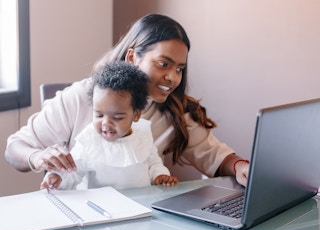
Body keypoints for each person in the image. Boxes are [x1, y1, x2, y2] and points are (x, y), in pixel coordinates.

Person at [5, 13, 249, 187]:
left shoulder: (174, 111)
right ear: (132, 57)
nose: (173, 77)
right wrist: (36, 157)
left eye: (180, 68)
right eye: (163, 64)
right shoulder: (81, 96)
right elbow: (15, 149)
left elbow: (216, 157)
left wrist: (239, 166)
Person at [40, 61, 179, 190]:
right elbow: (72, 172)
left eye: (117, 117)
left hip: (141, 205)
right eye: (99, 115)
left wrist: (160, 175)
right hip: (102, 209)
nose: (106, 123)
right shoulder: (89, 140)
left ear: (136, 115)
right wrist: (57, 178)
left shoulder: (142, 134)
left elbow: (154, 163)